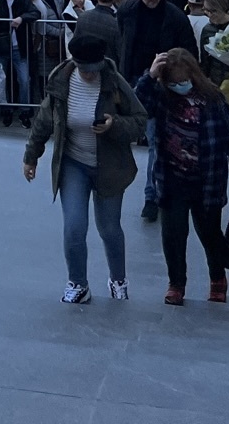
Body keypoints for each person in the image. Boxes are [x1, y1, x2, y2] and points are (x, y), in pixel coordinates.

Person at [22, 34, 147, 303]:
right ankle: (78, 283)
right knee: (74, 227)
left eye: (93, 69)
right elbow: (45, 121)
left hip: (109, 165)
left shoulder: (114, 83)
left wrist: (114, 125)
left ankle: (118, 279)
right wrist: (31, 156)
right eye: (83, 69)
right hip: (73, 163)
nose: (89, 75)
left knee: (109, 227)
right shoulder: (62, 82)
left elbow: (139, 121)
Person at [137, 47, 229, 306]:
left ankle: (217, 279)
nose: (180, 86)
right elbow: (138, 104)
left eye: (183, 81)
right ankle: (176, 283)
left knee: (210, 233)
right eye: (173, 83)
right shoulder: (162, 97)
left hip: (208, 179)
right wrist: (150, 75)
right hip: (172, 178)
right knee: (173, 235)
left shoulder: (214, 99)